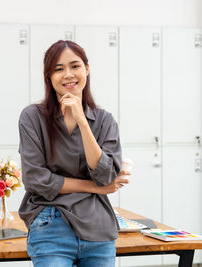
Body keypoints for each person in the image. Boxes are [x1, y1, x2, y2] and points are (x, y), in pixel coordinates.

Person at [18, 40, 130, 267]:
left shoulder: (104, 120)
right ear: (48, 76)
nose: (68, 74)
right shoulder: (32, 117)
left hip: (98, 227)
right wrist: (92, 187)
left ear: (86, 69)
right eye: (58, 69)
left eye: (75, 66)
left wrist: (82, 121)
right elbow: (35, 180)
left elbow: (105, 176)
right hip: (51, 223)